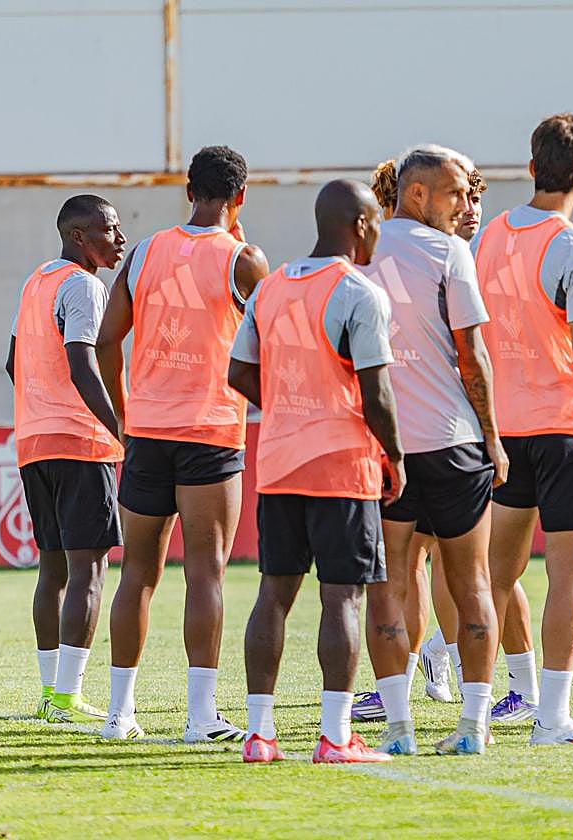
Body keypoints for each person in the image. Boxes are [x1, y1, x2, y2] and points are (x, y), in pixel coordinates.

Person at [350, 165, 537, 721]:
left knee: (477, 572)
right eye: (460, 197)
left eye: (474, 198)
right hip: (452, 435)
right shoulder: (443, 256)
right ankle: (432, 681)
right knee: (443, 571)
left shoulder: (463, 255)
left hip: (433, 435)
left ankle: (509, 684)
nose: (468, 209)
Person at [95, 146, 269, 742]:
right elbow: (268, 346)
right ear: (240, 197)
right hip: (210, 434)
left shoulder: (144, 252)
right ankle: (200, 716)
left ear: (188, 189)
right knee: (206, 574)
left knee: (136, 574)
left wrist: (125, 411)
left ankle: (121, 714)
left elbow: (104, 340)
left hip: (146, 432)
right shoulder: (243, 259)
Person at [227, 178, 404, 764]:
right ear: (358, 224)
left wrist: (282, 406)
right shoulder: (359, 292)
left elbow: (239, 372)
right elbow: (377, 394)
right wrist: (395, 458)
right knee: (342, 599)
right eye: (376, 220)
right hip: (340, 465)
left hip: (278, 462)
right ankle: (334, 737)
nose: (378, 230)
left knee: (273, 595)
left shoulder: (270, 287)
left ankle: (259, 735)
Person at [474, 113, 573, 746]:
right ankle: (554, 717)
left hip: (506, 429)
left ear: (532, 166)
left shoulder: (487, 237)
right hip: (568, 427)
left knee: (492, 577)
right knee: (567, 576)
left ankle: (476, 708)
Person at [6, 195, 126, 726]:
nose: (119, 239)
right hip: (79, 442)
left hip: (33, 443)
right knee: (89, 569)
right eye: (110, 229)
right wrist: (121, 429)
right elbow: (83, 362)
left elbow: (12, 361)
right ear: (80, 236)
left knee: (53, 569)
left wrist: (40, 405)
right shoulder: (84, 285)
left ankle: (50, 693)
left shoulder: (36, 281)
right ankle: (67, 696)